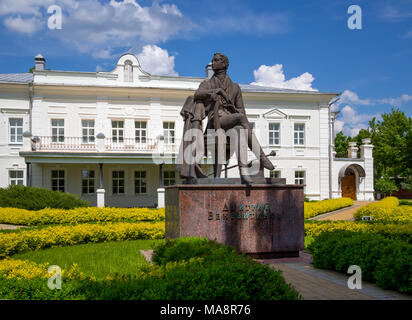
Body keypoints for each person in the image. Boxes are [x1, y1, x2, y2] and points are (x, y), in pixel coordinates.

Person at [192, 52, 274, 184]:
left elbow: (241, 110)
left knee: (239, 130)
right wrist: (214, 93)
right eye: (213, 61)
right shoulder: (207, 83)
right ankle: (262, 157)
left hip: (231, 123)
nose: (213, 63)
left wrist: (235, 113)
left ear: (225, 64)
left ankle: (244, 172)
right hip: (215, 122)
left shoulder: (235, 87)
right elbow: (197, 94)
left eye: (217, 60)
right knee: (241, 119)